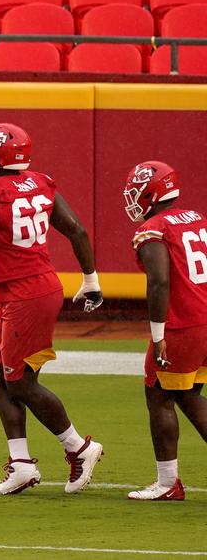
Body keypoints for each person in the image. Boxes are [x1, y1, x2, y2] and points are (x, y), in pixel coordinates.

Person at [0, 123, 104, 496]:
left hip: (26, 295)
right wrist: (90, 279)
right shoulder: (41, 182)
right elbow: (78, 231)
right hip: (22, 291)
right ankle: (20, 464)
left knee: (20, 381)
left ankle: (79, 448)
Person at [123, 160, 207, 501]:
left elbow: (159, 282)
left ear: (151, 192)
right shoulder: (199, 220)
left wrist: (158, 335)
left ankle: (167, 482)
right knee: (188, 395)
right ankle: (168, 483)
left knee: (158, 395)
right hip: (204, 316)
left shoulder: (154, 228)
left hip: (183, 323)